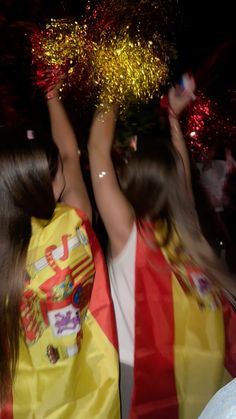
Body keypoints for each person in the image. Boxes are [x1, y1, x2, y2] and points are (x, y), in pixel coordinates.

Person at [88, 74, 236, 419]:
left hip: (136, 378)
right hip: (200, 375)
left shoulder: (129, 235)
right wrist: (172, 118)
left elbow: (96, 150)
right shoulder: (188, 235)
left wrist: (115, 77)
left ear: (133, 177)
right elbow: (181, 177)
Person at [0, 87, 120, 418]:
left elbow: (66, 156)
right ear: (48, 182)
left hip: (20, 406)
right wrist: (52, 91)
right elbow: (70, 152)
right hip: (87, 398)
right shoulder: (72, 223)